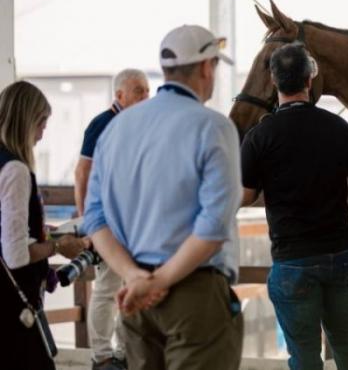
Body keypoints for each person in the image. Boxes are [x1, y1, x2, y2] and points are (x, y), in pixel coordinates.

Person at [82, 25, 243, 370]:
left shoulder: (116, 129)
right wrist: (162, 280)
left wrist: (135, 277)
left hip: (135, 299)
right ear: (205, 68)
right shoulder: (213, 126)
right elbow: (214, 224)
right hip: (194, 293)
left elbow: (95, 217)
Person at [240, 44, 348, 370]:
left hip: (292, 259)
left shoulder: (259, 136)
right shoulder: (342, 130)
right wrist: (344, 211)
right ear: (309, 79)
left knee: (304, 355)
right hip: (340, 252)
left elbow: (244, 195)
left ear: (274, 82)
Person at [0, 81, 86, 370]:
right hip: (13, 304)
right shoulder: (15, 170)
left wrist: (42, 231)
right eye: (42, 124)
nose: (41, 134)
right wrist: (59, 246)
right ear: (27, 121)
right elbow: (15, 254)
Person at [74, 68, 149, 370]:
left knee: (127, 285)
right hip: (107, 223)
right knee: (106, 288)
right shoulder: (102, 123)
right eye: (139, 91)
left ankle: (119, 352)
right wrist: (86, 223)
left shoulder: (135, 124)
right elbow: (82, 173)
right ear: (119, 95)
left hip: (130, 223)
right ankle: (101, 355)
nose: (146, 96)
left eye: (146, 90)